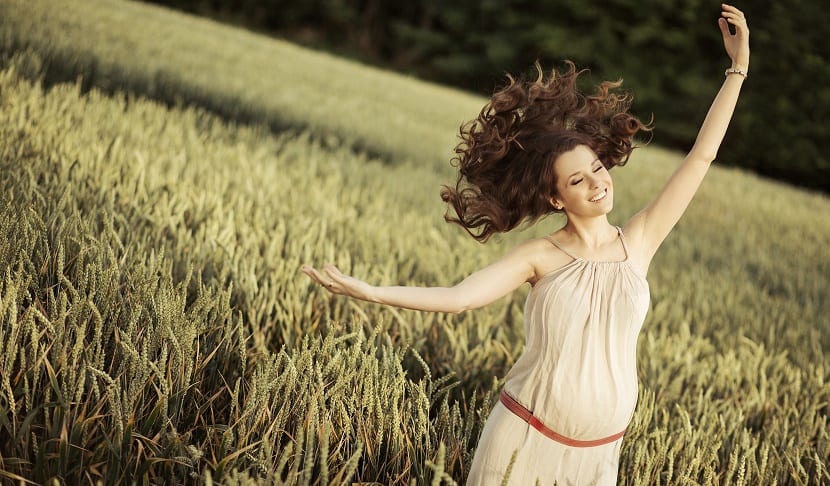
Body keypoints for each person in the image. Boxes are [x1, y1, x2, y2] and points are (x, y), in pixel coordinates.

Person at [302, 4, 749, 484]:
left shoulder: (639, 241)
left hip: (599, 456)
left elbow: (702, 156)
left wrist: (737, 70)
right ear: (557, 197)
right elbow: (459, 299)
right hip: (524, 441)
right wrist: (372, 292)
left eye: (597, 168)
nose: (598, 183)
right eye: (578, 180)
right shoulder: (540, 257)